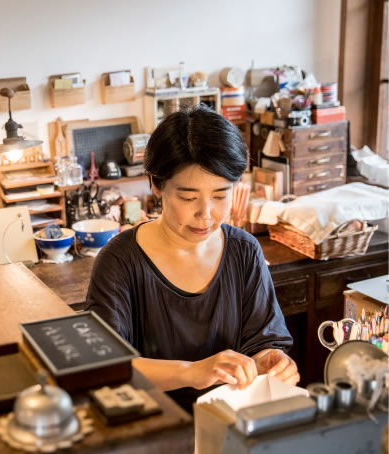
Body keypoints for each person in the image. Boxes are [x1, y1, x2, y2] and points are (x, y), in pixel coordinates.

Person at [85, 106, 299, 412]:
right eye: (188, 198)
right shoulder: (120, 261)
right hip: (154, 430)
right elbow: (105, 367)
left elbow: (263, 346)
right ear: (156, 185)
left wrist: (272, 362)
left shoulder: (244, 251)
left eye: (220, 195)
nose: (206, 214)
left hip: (232, 425)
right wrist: (193, 372)